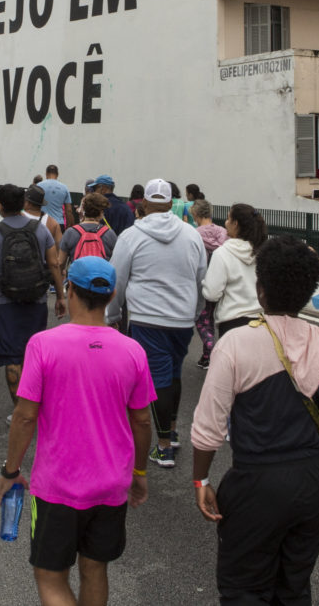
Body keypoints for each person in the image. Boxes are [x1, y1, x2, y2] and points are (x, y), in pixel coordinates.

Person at [191, 236, 319, 605]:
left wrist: (202, 478)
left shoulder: (236, 344)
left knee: (244, 589)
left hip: (256, 482)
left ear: (260, 289)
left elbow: (208, 429)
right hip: (314, 486)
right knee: (294, 587)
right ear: (307, 293)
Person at [0, 257, 155, 606]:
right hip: (112, 483)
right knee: (95, 567)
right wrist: (140, 473)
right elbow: (143, 421)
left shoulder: (43, 344)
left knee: (50, 575)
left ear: (69, 289)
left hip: (58, 484)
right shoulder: (133, 350)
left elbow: (25, 416)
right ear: (113, 294)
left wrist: (10, 470)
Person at [105, 178, 208, 469]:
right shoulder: (191, 234)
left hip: (147, 317)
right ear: (171, 203)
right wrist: (196, 310)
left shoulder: (132, 235)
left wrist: (111, 316)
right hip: (182, 318)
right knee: (173, 373)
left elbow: (118, 278)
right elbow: (202, 277)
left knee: (158, 379)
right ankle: (172, 431)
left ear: (145, 204)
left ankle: (164, 447)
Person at [0, 184, 67, 409]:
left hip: (6, 303)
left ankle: (21, 411)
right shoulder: (40, 230)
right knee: (33, 355)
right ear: (23, 204)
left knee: (12, 358)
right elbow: (54, 264)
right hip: (37, 300)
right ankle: (36, 406)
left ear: (1, 207)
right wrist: (61, 296)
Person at [203, 203, 267, 337]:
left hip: (231, 323)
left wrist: (204, 282)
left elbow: (211, 294)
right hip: (261, 322)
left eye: (228, 218)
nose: (225, 223)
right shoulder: (263, 252)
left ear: (235, 224)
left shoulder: (223, 253)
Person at [191, 199, 227, 369]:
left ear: (195, 215)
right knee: (219, 318)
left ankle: (212, 349)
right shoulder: (222, 232)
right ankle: (207, 356)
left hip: (202, 284)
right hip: (222, 282)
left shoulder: (194, 234)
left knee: (203, 321)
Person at [58, 192, 117, 271]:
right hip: (101, 280)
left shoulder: (70, 232)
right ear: (101, 213)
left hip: (77, 280)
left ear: (84, 210)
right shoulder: (110, 234)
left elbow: (61, 263)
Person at [37, 164, 75, 229]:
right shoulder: (64, 188)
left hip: (42, 223)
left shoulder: (39, 186)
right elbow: (68, 210)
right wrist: (68, 228)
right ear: (57, 174)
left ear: (46, 174)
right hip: (59, 224)